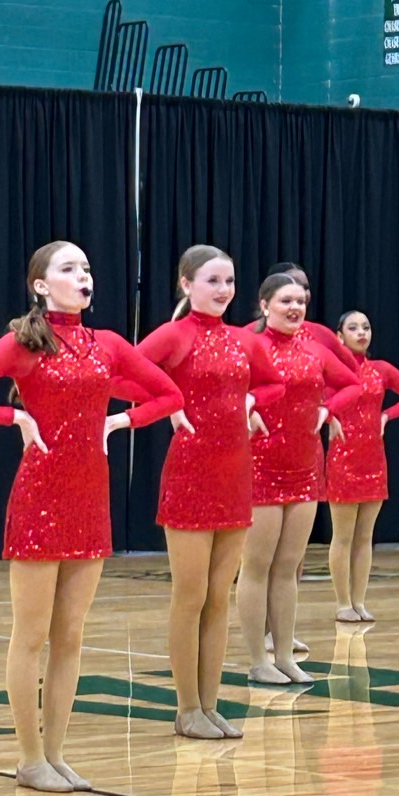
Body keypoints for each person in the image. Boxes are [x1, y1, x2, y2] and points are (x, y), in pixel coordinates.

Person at [0, 240, 184, 792]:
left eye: (87, 267)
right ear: (41, 286)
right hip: (40, 496)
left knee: (70, 636)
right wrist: (13, 417)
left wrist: (122, 423)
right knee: (30, 635)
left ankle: (56, 753)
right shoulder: (22, 344)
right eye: (69, 268)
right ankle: (28, 758)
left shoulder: (110, 344)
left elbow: (169, 394)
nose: (83, 275)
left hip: (90, 497)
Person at [137, 244, 284, 740]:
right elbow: (121, 376)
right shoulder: (173, 336)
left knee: (219, 596)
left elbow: (274, 386)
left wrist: (248, 398)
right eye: (212, 281)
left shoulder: (245, 341)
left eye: (229, 281)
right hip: (190, 473)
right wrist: (168, 405)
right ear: (186, 284)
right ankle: (186, 707)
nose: (223, 290)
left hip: (235, 473)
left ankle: (211, 703)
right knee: (191, 594)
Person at [236, 274, 361, 684]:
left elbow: (353, 384)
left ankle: (286, 655)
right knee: (256, 566)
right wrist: (246, 406)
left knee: (288, 567)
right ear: (264, 304)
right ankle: (258, 660)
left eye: (301, 302)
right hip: (258, 467)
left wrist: (328, 411)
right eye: (286, 300)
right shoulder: (249, 345)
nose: (294, 308)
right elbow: (219, 385)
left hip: (305, 466)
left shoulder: (314, 350)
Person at [326, 309, 399, 622]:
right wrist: (326, 415)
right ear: (339, 336)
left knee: (365, 536)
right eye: (353, 328)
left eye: (366, 327)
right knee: (342, 536)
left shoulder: (380, 369)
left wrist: (385, 415)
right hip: (342, 457)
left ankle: (360, 601)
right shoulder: (332, 370)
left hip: (373, 457)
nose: (361, 332)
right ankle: (342, 603)